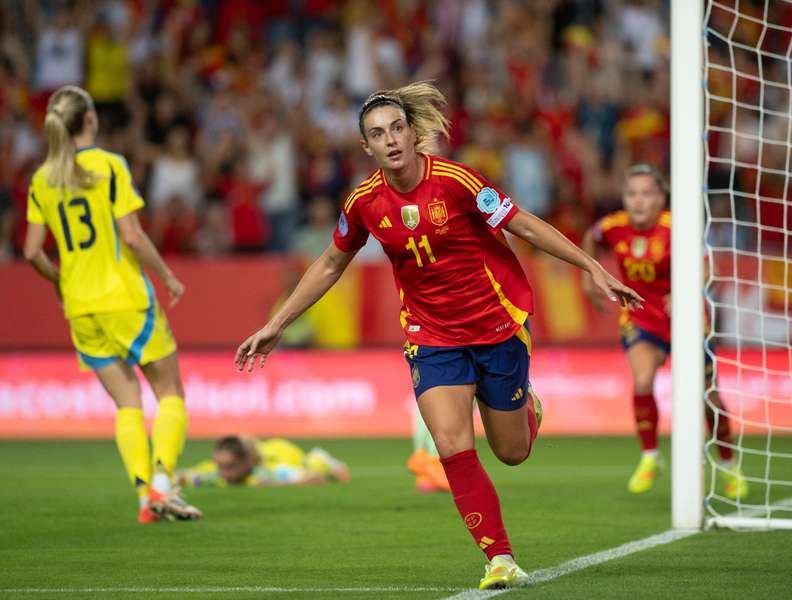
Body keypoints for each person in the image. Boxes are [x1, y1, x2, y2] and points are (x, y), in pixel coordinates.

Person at [235, 81, 642, 589]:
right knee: (451, 446)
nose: (391, 140)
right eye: (378, 134)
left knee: (512, 452)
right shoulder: (363, 202)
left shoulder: (457, 180)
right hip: (430, 333)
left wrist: (590, 267)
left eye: (398, 128)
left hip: (496, 322)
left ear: (412, 132)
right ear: (367, 148)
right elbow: (331, 262)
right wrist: (276, 324)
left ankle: (526, 408)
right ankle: (499, 558)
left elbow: (524, 226)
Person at [23, 86, 201, 524]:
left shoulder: (42, 179)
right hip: (125, 298)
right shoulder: (109, 166)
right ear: (90, 120)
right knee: (170, 393)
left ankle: (145, 496)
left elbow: (31, 252)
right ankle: (163, 482)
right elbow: (133, 236)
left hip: (81, 307)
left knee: (127, 404)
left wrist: (60, 281)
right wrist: (168, 276)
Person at [582, 163, 747, 499]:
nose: (638, 201)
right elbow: (591, 238)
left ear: (662, 197)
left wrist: (684, 293)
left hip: (686, 320)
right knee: (642, 379)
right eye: (631, 194)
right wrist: (589, 280)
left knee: (708, 396)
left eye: (646, 194)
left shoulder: (678, 226)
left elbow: (708, 267)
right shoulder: (613, 227)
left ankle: (729, 465)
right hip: (642, 317)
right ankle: (650, 456)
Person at [177, 436, 349, 487]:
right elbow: (184, 476)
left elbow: (316, 478)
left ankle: (323, 457)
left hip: (290, 455)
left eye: (230, 467)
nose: (223, 473)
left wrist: (273, 484)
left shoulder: (273, 470)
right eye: (220, 466)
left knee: (317, 463)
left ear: (246, 462)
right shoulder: (214, 473)